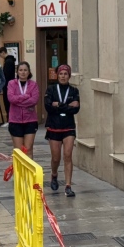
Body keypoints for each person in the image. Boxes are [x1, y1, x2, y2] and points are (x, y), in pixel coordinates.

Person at [45, 64, 80, 197]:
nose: (63, 76)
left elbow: (76, 109)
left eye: (65, 74)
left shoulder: (74, 91)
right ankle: (54, 175)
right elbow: (48, 106)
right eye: (61, 74)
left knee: (67, 155)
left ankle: (68, 186)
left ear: (69, 76)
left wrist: (58, 104)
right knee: (56, 158)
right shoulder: (51, 89)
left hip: (68, 127)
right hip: (54, 126)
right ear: (57, 75)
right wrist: (67, 105)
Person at [7, 62, 40, 158]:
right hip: (15, 120)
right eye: (20, 70)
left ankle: (29, 168)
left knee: (28, 149)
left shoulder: (33, 84)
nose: (23, 72)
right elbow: (11, 99)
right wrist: (25, 96)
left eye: (25, 70)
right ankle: (19, 169)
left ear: (29, 72)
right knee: (19, 151)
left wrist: (18, 101)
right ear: (17, 72)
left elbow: (34, 100)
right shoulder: (11, 83)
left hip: (30, 120)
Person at [0, 47, 17, 123]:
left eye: (0, 54)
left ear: (3, 52)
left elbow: (6, 75)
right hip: (9, 85)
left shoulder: (8, 62)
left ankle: (10, 119)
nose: (0, 56)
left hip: (7, 85)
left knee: (7, 102)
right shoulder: (10, 61)